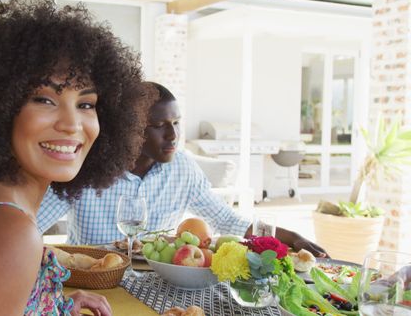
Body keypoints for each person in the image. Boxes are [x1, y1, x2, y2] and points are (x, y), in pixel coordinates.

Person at [0, 0, 154, 316]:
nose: (71, 124)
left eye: (86, 104)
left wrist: (54, 305)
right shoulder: (10, 233)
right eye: (44, 100)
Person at [37, 82, 328, 258]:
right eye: (160, 126)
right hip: (93, 285)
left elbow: (225, 219)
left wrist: (291, 237)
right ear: (131, 130)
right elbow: (31, 224)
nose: (173, 136)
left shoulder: (182, 167)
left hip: (156, 284)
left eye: (176, 123)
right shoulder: (87, 168)